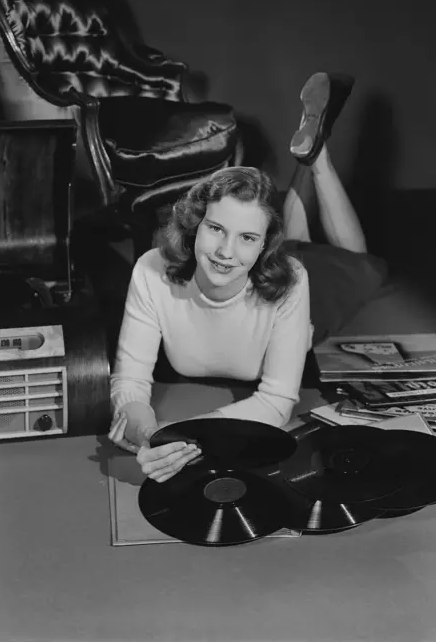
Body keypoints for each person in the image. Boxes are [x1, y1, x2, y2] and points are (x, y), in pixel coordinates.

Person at [108, 72, 387, 483]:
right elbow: (129, 380)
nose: (224, 251)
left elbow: (276, 400)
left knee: (360, 263)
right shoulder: (152, 270)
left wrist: (187, 438)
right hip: (269, 256)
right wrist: (145, 431)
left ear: (263, 246)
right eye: (215, 228)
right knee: (290, 238)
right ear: (195, 224)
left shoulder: (292, 279)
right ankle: (310, 156)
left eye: (247, 237)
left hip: (311, 289)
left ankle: (318, 159)